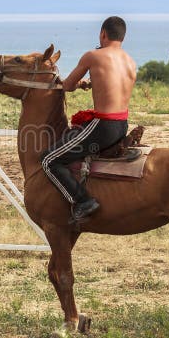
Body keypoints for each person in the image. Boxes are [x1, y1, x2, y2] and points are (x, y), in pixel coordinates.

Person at [41, 16, 137, 223]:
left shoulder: (93, 56)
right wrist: (90, 82)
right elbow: (110, 84)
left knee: (49, 160)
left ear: (103, 33)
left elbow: (67, 85)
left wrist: (79, 83)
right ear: (123, 37)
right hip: (122, 125)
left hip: (103, 126)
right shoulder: (130, 61)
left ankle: (83, 201)